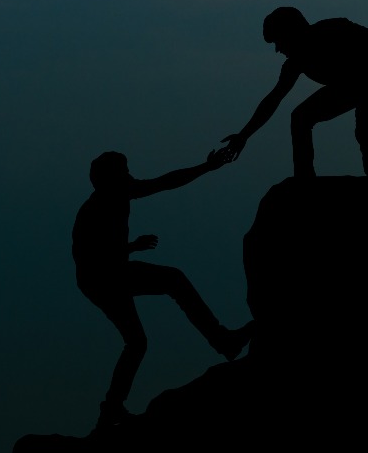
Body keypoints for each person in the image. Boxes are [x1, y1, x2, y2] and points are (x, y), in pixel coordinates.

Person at [74, 149, 250, 431]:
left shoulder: (113, 196)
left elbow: (165, 182)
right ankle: (223, 341)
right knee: (173, 281)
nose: (130, 175)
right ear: (110, 178)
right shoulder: (98, 206)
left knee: (137, 341)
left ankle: (111, 409)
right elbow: (87, 255)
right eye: (124, 171)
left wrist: (129, 248)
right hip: (103, 279)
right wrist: (206, 167)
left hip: (102, 278)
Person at [218, 6, 368, 178]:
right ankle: (304, 179)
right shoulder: (295, 63)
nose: (278, 49)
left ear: (291, 33)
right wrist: (243, 135)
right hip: (345, 87)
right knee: (300, 118)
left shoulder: (334, 29)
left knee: (366, 132)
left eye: (279, 41)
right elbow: (273, 99)